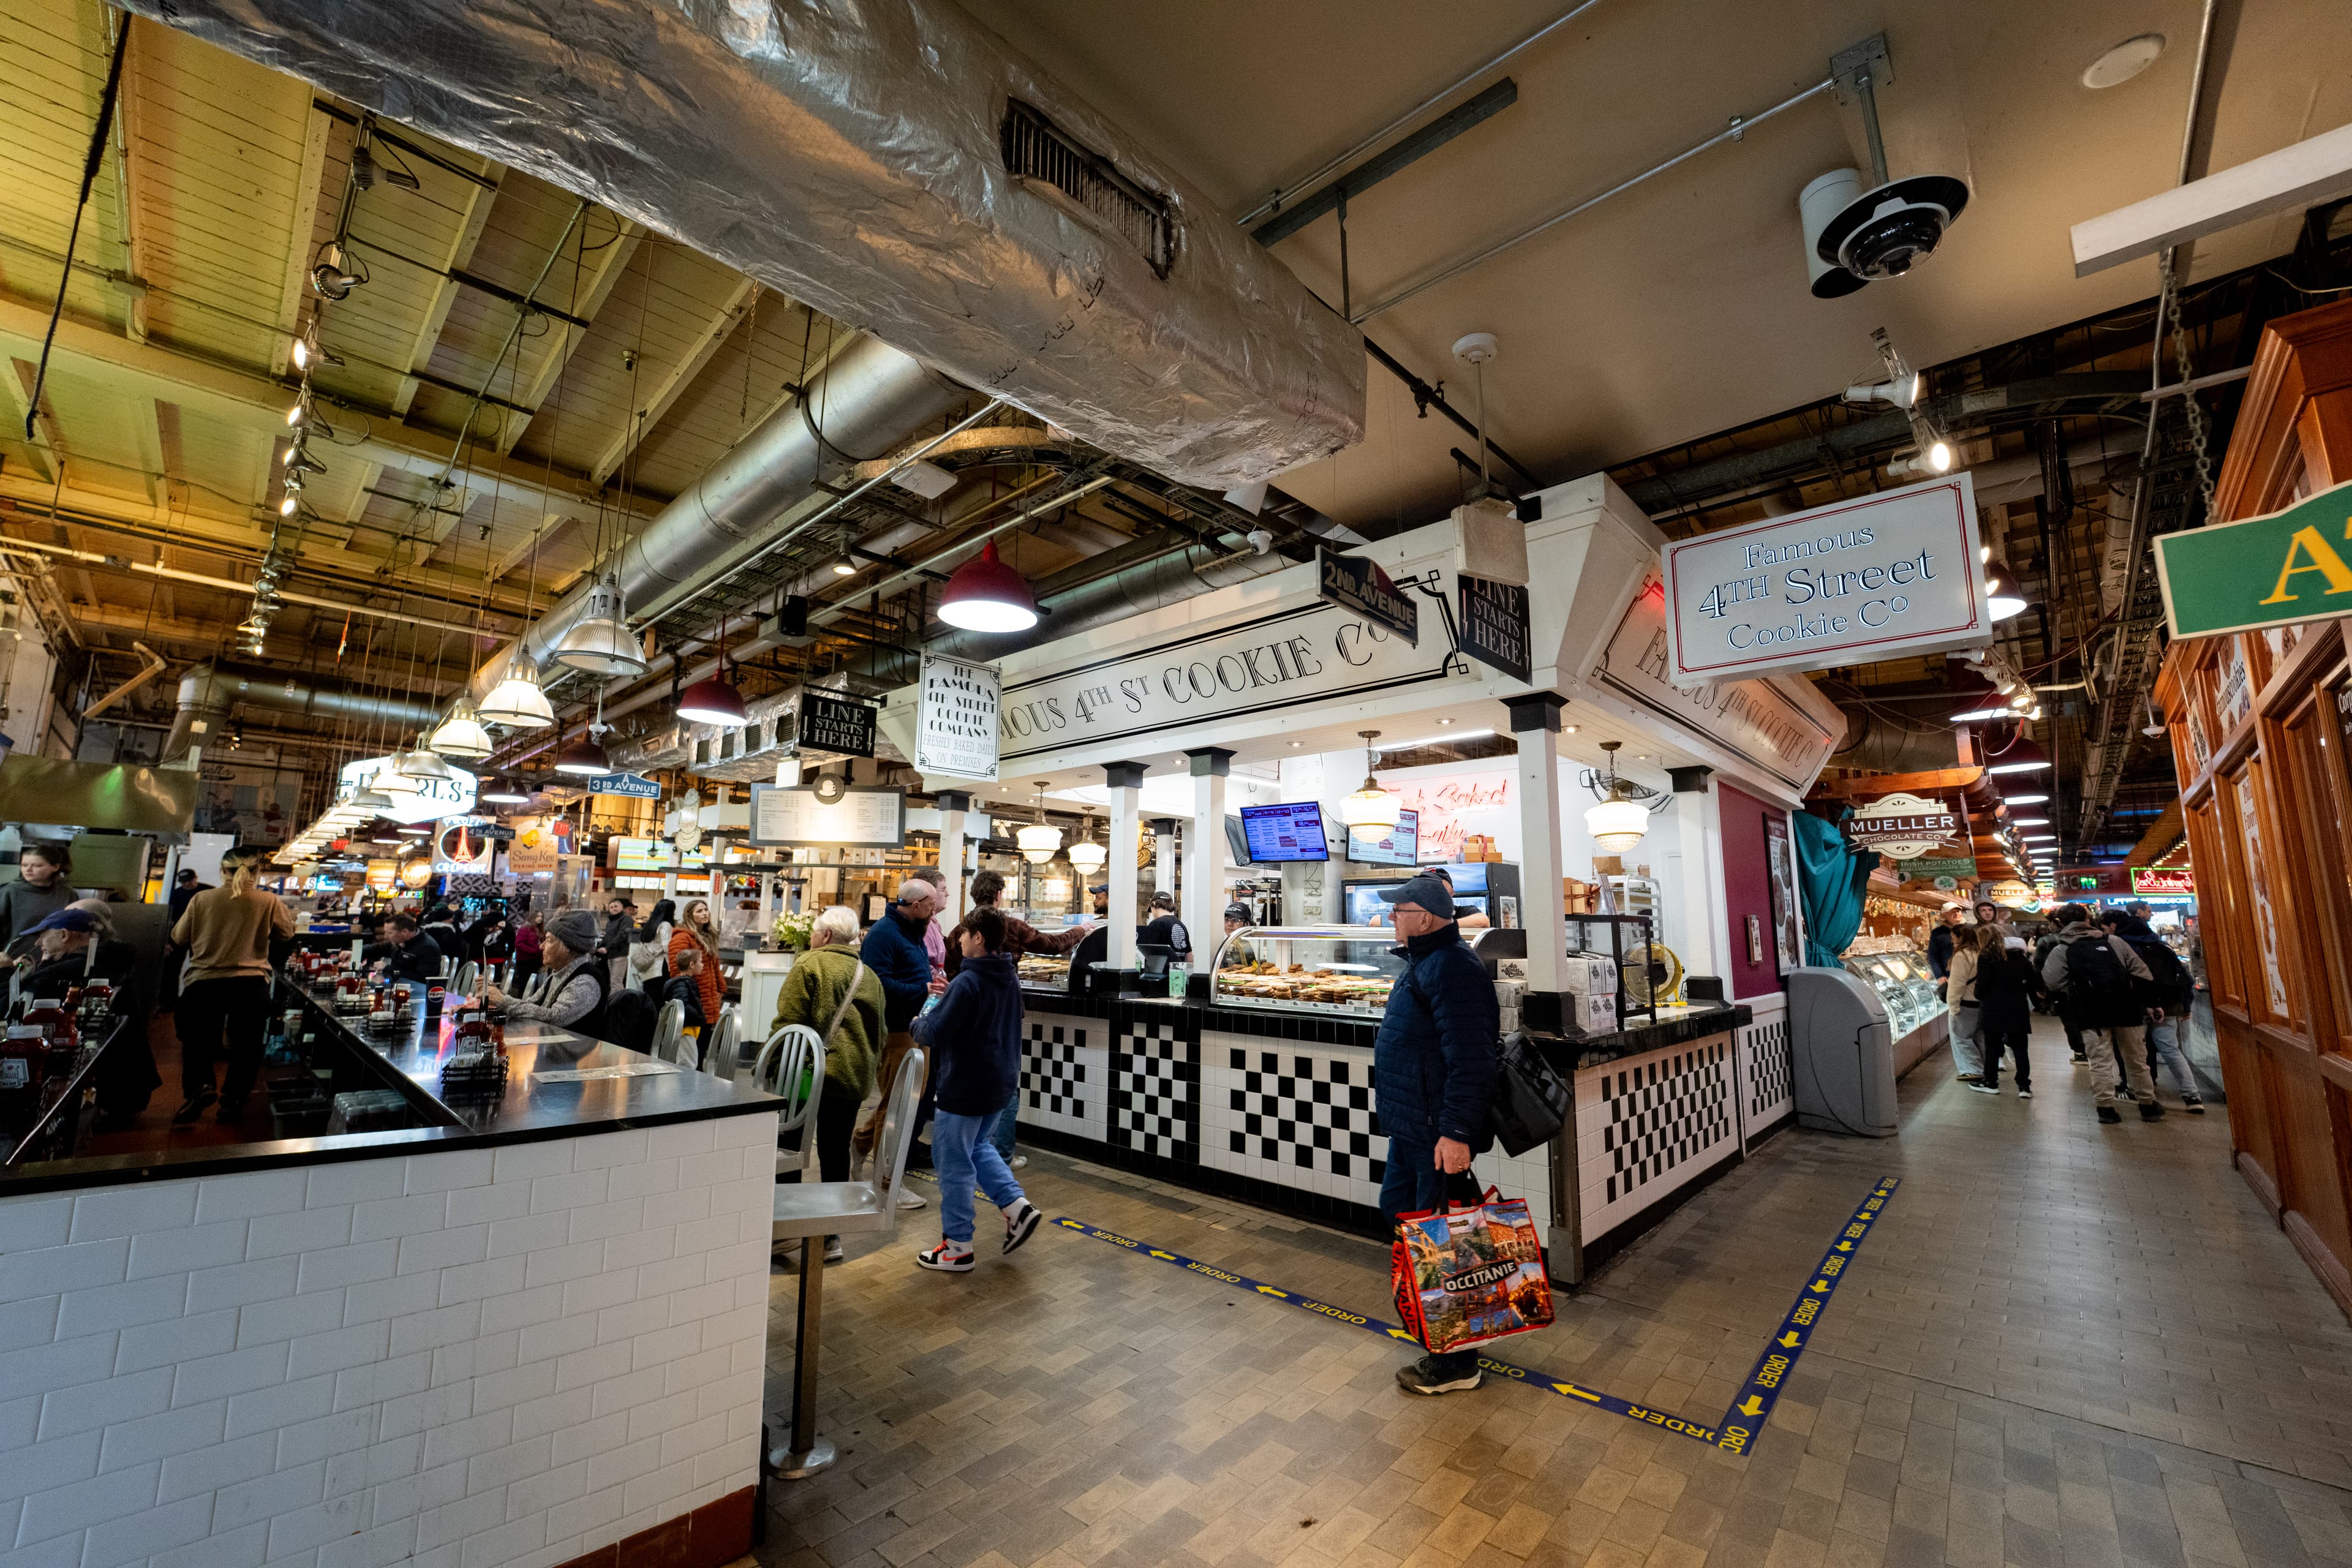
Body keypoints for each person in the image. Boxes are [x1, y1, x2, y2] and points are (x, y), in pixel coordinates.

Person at [1371, 873, 1500, 1395]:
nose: (1390, 919)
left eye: (1398, 910)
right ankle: (1441, 1326)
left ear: (1424, 917)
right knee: (1405, 1218)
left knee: (1444, 1243)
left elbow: (1471, 1059)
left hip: (1436, 1133)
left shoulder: (1453, 967)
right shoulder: (1424, 963)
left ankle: (1455, 1362)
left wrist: (1456, 1130)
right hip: (1413, 1129)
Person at [911, 908, 1042, 1272]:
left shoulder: (969, 982)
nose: (961, 941)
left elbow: (934, 1033)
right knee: (979, 1147)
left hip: (965, 1085)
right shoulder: (1008, 976)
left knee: (952, 1162)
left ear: (979, 938)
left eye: (965, 934)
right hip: (1000, 1082)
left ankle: (957, 1247)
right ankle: (1017, 1207)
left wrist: (920, 1020)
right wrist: (948, 997)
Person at [948, 868, 1090, 1170]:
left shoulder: (958, 931)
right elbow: (1052, 945)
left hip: (967, 1014)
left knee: (970, 1076)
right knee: (1005, 1080)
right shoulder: (1010, 926)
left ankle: (973, 1147)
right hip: (1005, 1013)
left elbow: (950, 974)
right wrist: (1082, 930)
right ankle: (1001, 1154)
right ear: (1000, 895)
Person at [772, 905, 886, 1264]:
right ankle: (830, 1237)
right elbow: (879, 1034)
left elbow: (788, 1024)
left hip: (806, 1075)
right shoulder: (870, 976)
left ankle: (785, 1230)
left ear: (824, 936)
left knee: (789, 1148)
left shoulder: (809, 964)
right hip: (851, 1078)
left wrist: (775, 1066)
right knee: (835, 1151)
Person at [170, 848, 297, 1126]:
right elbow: (287, 933)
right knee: (246, 1046)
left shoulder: (202, 899)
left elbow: (178, 937)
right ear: (257, 872)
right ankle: (233, 1101)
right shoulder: (268, 900)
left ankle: (201, 1087)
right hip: (250, 983)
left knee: (197, 1041)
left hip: (204, 981)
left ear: (221, 870)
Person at [17, 905, 157, 1128]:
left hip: (113, 1093)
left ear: (64, 935)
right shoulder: (108, 960)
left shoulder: (74, 968)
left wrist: (8, 974)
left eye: (42, 936)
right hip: (129, 1085)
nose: (37, 943)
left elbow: (19, 1006)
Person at [856, 877, 945, 1202]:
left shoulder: (914, 930)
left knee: (903, 1103)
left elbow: (911, 974)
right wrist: (921, 990)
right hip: (895, 1031)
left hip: (917, 1027)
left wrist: (931, 983)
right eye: (932, 905)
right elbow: (876, 984)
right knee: (895, 1107)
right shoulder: (884, 934)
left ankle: (860, 1143)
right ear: (917, 904)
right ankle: (885, 1182)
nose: (935, 911)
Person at [2041, 903, 2160, 1125]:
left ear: (2061, 923)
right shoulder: (2113, 941)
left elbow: (2053, 981)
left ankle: (2106, 1108)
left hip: (2091, 1013)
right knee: (2136, 1059)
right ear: (2088, 919)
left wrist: (2077, 988)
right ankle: (2148, 1105)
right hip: (2126, 1009)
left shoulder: (2062, 949)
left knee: (2100, 1062)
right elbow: (2141, 971)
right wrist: (2150, 1003)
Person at [2104, 908, 2204, 1112]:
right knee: (2172, 1051)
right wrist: (2186, 1004)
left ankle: (2136, 1092)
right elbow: (2183, 977)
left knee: (2135, 1054)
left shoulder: (2121, 948)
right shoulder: (2162, 946)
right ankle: (2192, 1096)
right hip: (2166, 1007)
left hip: (2136, 1008)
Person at [484, 908, 611, 1038]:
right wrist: (499, 994)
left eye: (549, 940)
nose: (542, 946)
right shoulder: (559, 973)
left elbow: (554, 1018)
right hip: (552, 1048)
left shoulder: (586, 980)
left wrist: (503, 1001)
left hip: (573, 1055)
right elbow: (531, 1004)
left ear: (567, 946)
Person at [1970, 925, 2036, 1097]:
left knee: (1992, 1048)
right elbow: (2033, 980)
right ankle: (2024, 1087)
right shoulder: (2019, 957)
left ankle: (1991, 1082)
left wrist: (1978, 994)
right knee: (2021, 1048)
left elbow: (1982, 984)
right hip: (2017, 1007)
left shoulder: (1987, 957)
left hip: (1993, 1008)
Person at [1, 843, 79, 957]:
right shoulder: (10, 891)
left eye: (37, 866)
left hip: (55, 956)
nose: (28, 869)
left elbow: (74, 927)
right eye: (24, 865)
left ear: (55, 867)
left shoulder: (67, 893)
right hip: (15, 955)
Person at [668, 898, 724, 1031]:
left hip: (709, 999)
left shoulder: (709, 936)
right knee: (693, 1046)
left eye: (706, 910)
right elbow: (677, 970)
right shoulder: (682, 937)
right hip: (693, 999)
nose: (705, 914)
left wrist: (721, 988)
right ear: (690, 916)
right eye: (699, 911)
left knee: (704, 1043)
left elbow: (715, 967)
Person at [1945, 920, 1987, 1087]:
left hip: (1965, 1004)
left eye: (1953, 937)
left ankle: (1973, 1071)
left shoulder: (1962, 956)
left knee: (1962, 1038)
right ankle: (1985, 1068)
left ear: (1961, 937)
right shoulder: (1980, 952)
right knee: (1979, 1038)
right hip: (1980, 1003)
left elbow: (1957, 984)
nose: (1952, 940)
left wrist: (1953, 1006)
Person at [364, 912, 442, 984]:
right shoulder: (400, 941)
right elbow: (378, 948)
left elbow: (423, 979)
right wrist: (356, 951)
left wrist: (387, 968)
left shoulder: (428, 948)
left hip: (415, 992)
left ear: (404, 932)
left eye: (390, 933)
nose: (386, 936)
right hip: (396, 984)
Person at [658, 944, 709, 1044]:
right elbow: (682, 1005)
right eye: (700, 962)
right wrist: (699, 1016)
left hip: (683, 1029)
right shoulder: (682, 984)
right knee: (688, 1060)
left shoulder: (680, 982)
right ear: (692, 965)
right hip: (685, 1031)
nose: (702, 965)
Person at [630, 899, 676, 995]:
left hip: (647, 968)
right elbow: (667, 947)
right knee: (659, 1000)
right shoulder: (665, 925)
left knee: (649, 1000)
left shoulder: (650, 925)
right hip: (659, 968)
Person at [1926, 905, 1968, 997]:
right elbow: (1933, 957)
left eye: (1958, 911)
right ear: (1944, 916)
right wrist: (1940, 975)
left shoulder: (1969, 929)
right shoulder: (1937, 933)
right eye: (1953, 912)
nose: (1957, 913)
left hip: (1970, 974)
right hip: (1950, 976)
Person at [1137, 890, 1191, 956]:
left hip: (1161, 966)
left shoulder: (1156, 924)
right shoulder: (1182, 925)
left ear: (1153, 904)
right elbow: (1189, 957)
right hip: (1179, 966)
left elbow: (1149, 952)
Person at [600, 897, 636, 987]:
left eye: (616, 906)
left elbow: (622, 935)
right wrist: (599, 947)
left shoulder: (627, 919)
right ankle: (614, 1000)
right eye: (611, 907)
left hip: (620, 955)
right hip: (611, 955)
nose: (614, 909)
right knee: (613, 982)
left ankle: (616, 1001)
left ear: (621, 908)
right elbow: (606, 937)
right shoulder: (611, 922)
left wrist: (607, 948)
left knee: (616, 982)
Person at [510, 914, 543, 993]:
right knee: (524, 984)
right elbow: (519, 944)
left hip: (536, 961)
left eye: (542, 916)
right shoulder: (525, 929)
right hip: (525, 961)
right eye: (538, 916)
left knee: (534, 984)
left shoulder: (540, 930)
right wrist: (534, 950)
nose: (540, 918)